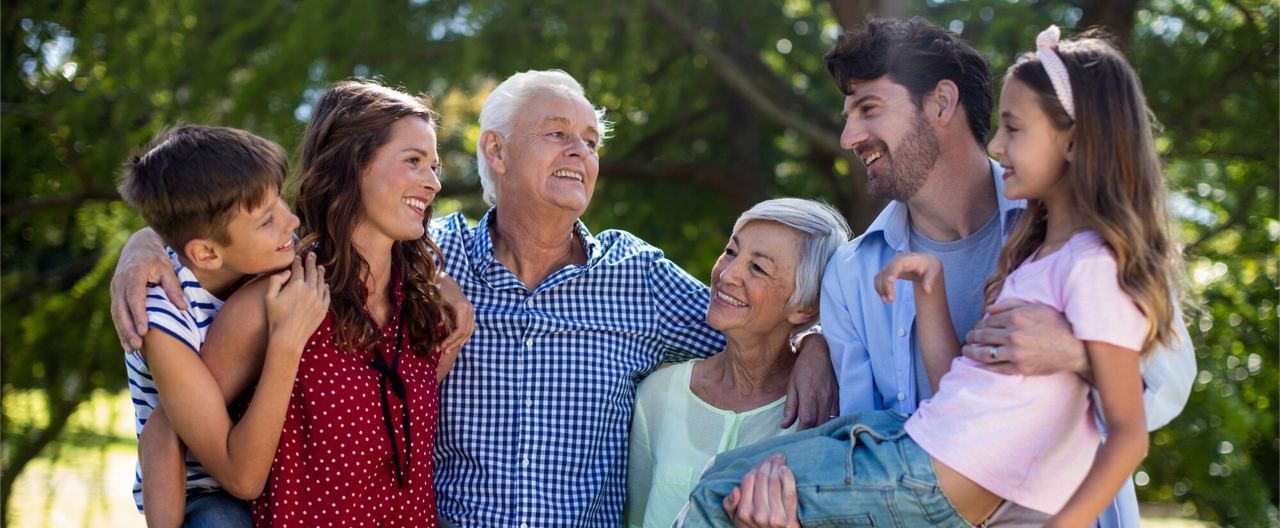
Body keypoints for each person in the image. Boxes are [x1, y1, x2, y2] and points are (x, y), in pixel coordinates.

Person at [112, 70, 838, 528]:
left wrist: (816, 347)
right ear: (495, 151)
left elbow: (756, 317)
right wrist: (147, 246)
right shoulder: (416, 261)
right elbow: (229, 226)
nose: (582, 152)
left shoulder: (632, 278)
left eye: (591, 139)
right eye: (558, 134)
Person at [687, 18, 1196, 528]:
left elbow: (1169, 382)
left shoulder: (1078, 240)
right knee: (728, 484)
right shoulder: (851, 274)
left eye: (869, 109)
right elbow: (868, 453)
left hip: (1061, 510)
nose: (847, 137)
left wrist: (1077, 352)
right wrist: (810, 340)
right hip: (925, 499)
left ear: (941, 103)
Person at [118, 125, 329, 528]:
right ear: (207, 253)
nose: (292, 220)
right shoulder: (163, 318)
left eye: (281, 201)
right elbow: (166, 439)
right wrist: (288, 341)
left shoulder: (268, 257)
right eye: (267, 219)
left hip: (279, 472)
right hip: (201, 491)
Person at [624, 199, 849, 528]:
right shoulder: (657, 395)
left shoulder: (825, 412)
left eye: (758, 268)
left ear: (804, 307)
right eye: (731, 251)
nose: (727, 275)